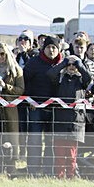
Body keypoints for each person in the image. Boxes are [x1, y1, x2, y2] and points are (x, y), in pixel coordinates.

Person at [23, 35, 63, 176]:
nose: (51, 50)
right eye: (48, 47)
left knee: (51, 140)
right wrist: (29, 100)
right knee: (35, 139)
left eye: (54, 47)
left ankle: (48, 169)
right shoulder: (33, 63)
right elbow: (25, 82)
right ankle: (33, 169)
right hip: (36, 107)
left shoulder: (63, 64)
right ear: (43, 48)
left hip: (55, 109)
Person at [47, 54, 91, 178]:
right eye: (69, 64)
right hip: (60, 120)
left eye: (74, 65)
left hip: (75, 122)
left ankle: (71, 176)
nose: (72, 67)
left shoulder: (82, 80)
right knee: (60, 154)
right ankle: (59, 176)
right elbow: (50, 75)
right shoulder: (60, 77)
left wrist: (79, 64)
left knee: (72, 155)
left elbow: (89, 78)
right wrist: (63, 63)